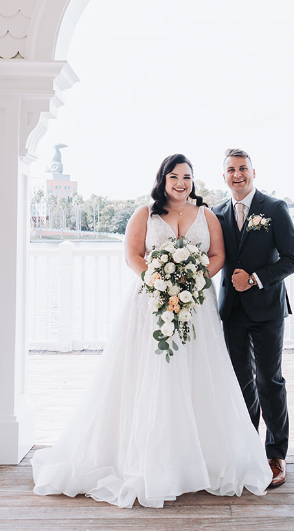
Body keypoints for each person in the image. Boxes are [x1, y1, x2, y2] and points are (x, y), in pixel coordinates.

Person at [31, 153, 272, 508]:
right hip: (151, 303)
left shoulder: (206, 215)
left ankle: (200, 459)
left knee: (197, 374)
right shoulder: (145, 214)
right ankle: (151, 461)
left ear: (194, 181)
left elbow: (218, 255)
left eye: (187, 177)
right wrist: (161, 280)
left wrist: (192, 277)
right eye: (174, 176)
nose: (181, 183)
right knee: (152, 373)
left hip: (196, 306)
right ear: (162, 180)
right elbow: (133, 255)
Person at [212, 148, 294, 488]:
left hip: (267, 309)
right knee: (240, 383)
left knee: (269, 380)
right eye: (231, 170)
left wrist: (254, 278)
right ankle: (248, 448)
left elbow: (292, 259)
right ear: (224, 177)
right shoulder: (216, 213)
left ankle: (275, 454)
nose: (238, 174)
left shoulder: (274, 209)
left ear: (253, 172)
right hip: (232, 311)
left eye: (243, 168)